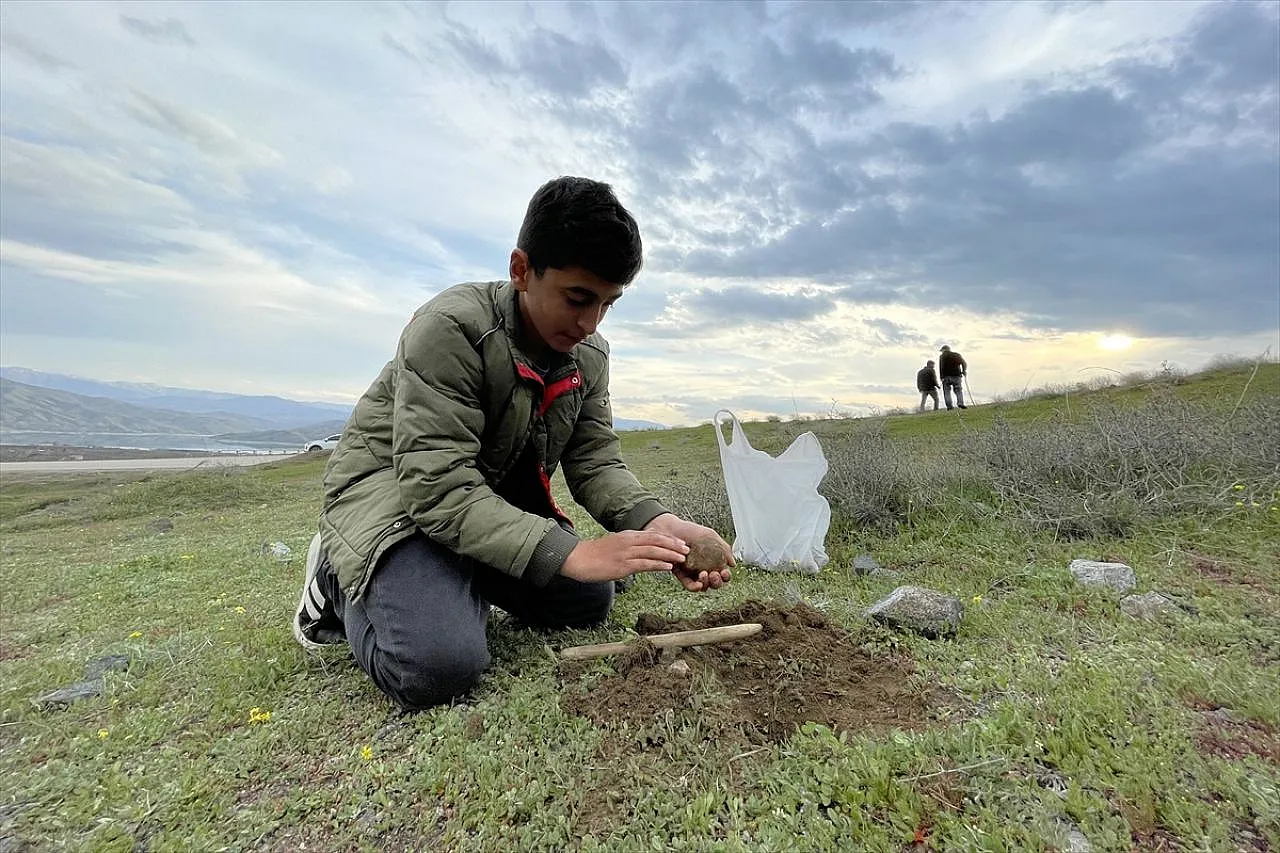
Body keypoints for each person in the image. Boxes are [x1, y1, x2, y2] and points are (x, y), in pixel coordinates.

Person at [292, 176, 733, 710]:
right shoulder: (450, 329)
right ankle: (337, 583)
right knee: (440, 666)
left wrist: (656, 522)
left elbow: (594, 460)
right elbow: (437, 488)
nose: (590, 322)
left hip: (480, 499)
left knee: (588, 599)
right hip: (394, 499)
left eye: (607, 305)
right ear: (521, 270)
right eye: (577, 298)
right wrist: (572, 550)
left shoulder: (588, 354)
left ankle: (447, 578)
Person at [938, 345, 968, 409]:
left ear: (944, 350)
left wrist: (941, 377)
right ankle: (960, 403)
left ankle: (949, 406)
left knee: (947, 392)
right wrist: (964, 371)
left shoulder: (942, 356)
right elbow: (964, 363)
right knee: (958, 390)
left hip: (946, 377)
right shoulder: (956, 355)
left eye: (942, 351)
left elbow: (941, 367)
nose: (941, 352)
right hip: (956, 376)